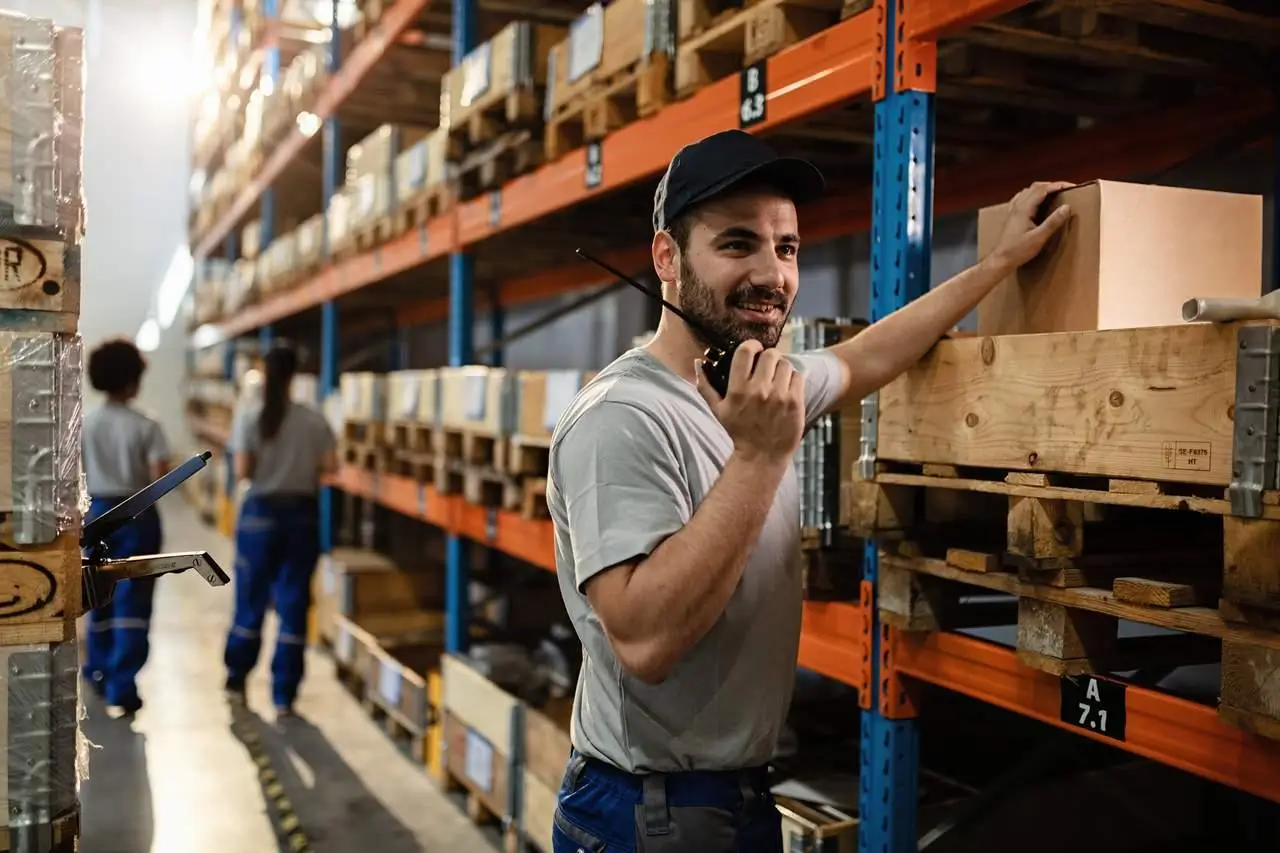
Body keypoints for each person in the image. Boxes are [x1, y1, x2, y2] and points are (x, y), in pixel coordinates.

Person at [544, 128, 1073, 852]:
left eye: (786, 248)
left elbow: (863, 357)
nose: (773, 274)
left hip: (734, 795)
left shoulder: (758, 385)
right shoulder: (621, 419)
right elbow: (645, 639)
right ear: (666, 258)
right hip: (649, 814)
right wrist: (761, 457)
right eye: (737, 244)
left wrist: (1000, 264)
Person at [222, 341, 337, 717]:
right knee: (293, 604)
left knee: (250, 600)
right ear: (295, 376)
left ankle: (238, 678)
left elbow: (242, 472)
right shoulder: (314, 419)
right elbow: (331, 466)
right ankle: (284, 695)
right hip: (301, 516)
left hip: (259, 515)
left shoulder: (250, 416)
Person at [82, 338, 171, 719]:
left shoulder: (85, 424)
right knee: (133, 599)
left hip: (96, 512)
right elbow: (160, 478)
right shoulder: (147, 425)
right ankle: (123, 685)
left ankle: (96, 674)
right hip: (137, 513)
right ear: (132, 380)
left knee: (97, 593)